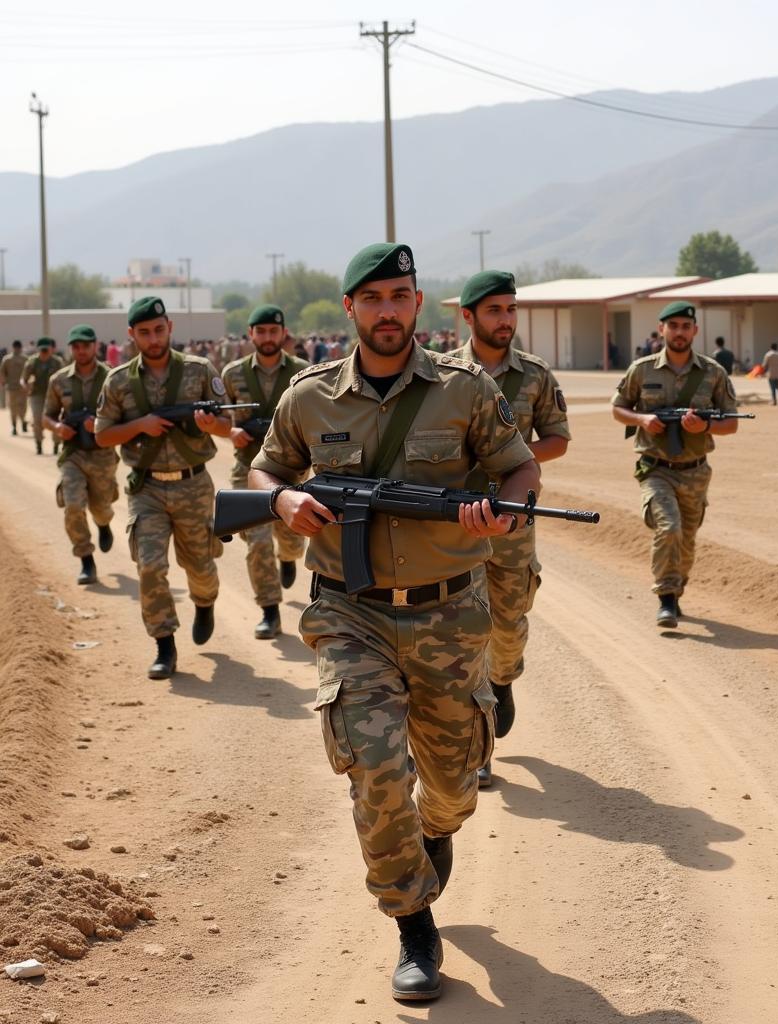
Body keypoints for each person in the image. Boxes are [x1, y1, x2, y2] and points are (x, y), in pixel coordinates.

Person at [249, 243, 539, 1002]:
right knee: (375, 768)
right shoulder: (309, 397)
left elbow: (519, 465)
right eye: (372, 297)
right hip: (351, 612)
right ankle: (413, 923)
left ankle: (435, 835)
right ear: (350, 308)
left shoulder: (465, 389)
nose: (387, 310)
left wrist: (501, 510)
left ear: (418, 303)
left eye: (400, 296)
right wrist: (281, 500)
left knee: (451, 785)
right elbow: (266, 467)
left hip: (448, 608)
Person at [452, 270, 571, 787]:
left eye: (511, 310)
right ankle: (478, 752)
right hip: (455, 523)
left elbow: (558, 440)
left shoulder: (535, 375)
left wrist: (510, 459)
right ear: (469, 316)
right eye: (495, 310)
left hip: (513, 520)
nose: (506, 320)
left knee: (508, 623)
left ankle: (503, 680)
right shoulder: (442, 373)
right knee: (464, 632)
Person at [95, 296, 228, 680]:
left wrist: (209, 425)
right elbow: (102, 436)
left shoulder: (200, 370)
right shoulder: (119, 381)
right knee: (150, 566)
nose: (153, 339)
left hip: (193, 484)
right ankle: (164, 645)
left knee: (200, 565)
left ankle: (205, 603)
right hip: (147, 488)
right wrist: (141, 425)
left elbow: (225, 425)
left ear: (169, 327)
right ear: (131, 335)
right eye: (144, 333)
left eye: (158, 330)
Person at [612, 301, 739, 628]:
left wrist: (705, 426)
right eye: (674, 326)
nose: (680, 332)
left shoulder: (713, 373)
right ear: (662, 329)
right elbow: (618, 408)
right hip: (656, 468)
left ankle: (677, 590)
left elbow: (732, 422)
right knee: (669, 528)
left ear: (695, 331)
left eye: (686, 326)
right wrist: (641, 418)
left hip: (695, 470)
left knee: (687, 538)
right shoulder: (642, 369)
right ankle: (665, 598)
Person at [221, 305, 309, 638]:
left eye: (274, 331)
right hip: (248, 468)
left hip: (292, 472)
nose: (268, 338)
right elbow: (220, 418)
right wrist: (230, 431)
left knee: (291, 538)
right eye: (261, 331)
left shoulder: (303, 372)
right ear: (251, 334)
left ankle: (288, 556)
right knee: (256, 542)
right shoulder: (233, 374)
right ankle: (269, 610)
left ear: (283, 333)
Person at [42, 325, 120, 585]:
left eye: (86, 345)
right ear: (71, 349)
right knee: (73, 505)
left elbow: (126, 415)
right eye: (76, 346)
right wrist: (57, 428)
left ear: (95, 346)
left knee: (101, 507)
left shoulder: (112, 377)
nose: (81, 351)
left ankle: (103, 523)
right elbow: (47, 416)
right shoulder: (59, 380)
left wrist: (99, 424)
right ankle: (86, 559)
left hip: (103, 454)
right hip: (73, 453)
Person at [22, 337, 64, 454]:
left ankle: (56, 444)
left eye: (47, 349)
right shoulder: (32, 362)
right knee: (37, 419)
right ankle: (38, 444)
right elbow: (23, 379)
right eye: (42, 350)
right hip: (37, 394)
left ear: (51, 349)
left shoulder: (57, 362)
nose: (44, 352)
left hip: (54, 395)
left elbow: (65, 378)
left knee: (56, 419)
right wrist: (26, 385)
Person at [1, 339, 28, 435]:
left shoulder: (25, 359)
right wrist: (3, 381)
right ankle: (14, 426)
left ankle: (23, 421)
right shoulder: (7, 359)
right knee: (14, 407)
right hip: (12, 387)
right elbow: (2, 372)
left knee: (22, 407)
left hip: (22, 387)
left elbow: (29, 372)